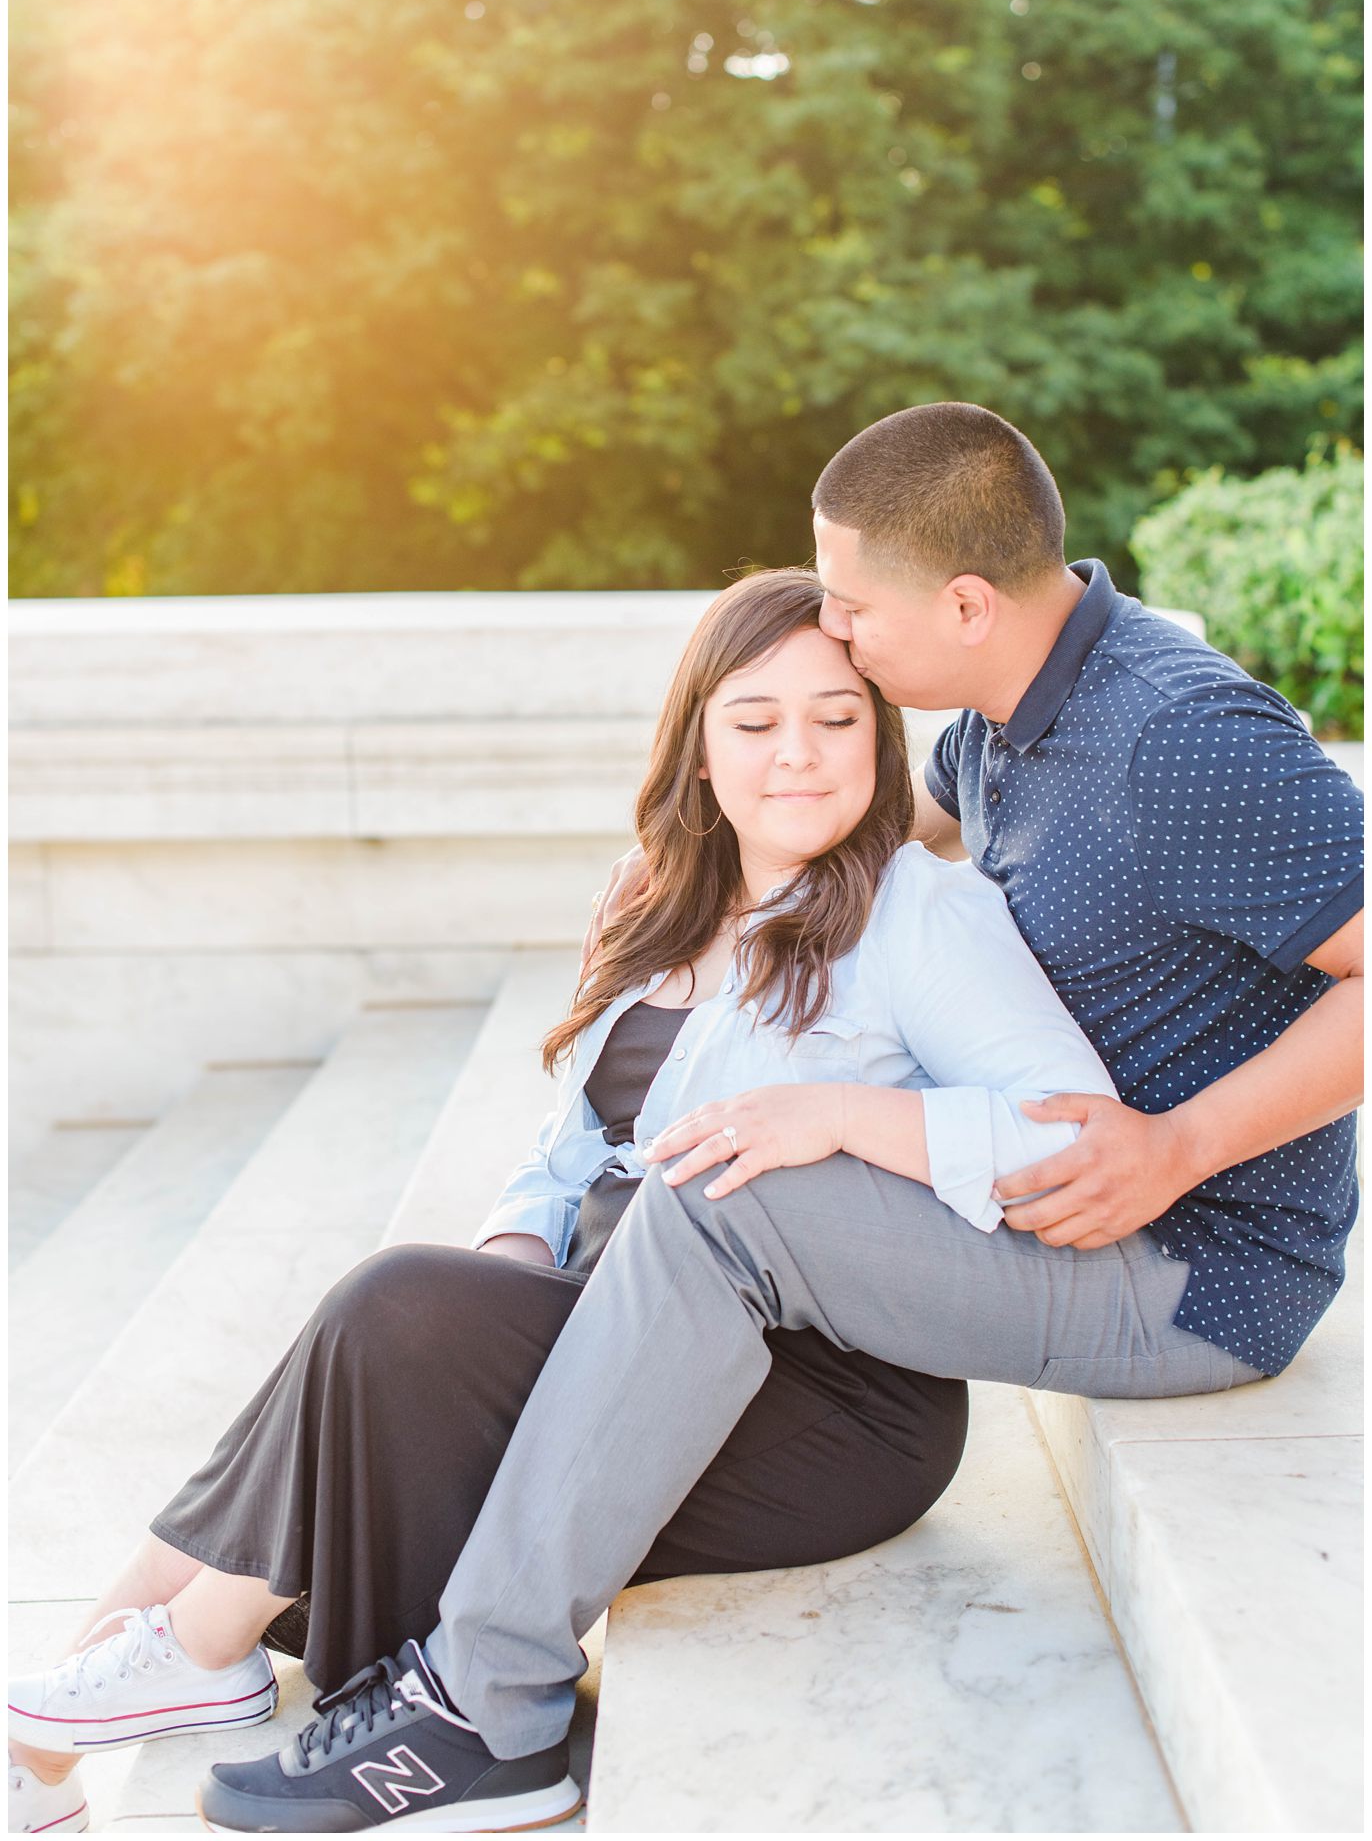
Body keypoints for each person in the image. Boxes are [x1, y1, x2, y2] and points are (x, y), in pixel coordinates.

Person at [187, 400, 1362, 1837]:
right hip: (1056, 1200)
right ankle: (279, 1632)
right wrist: (693, 878)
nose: (842, 638)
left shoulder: (1175, 737)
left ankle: (491, 1704)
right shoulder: (1003, 729)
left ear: (969, 604)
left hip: (1197, 1265)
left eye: (857, 613)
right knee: (501, 1274)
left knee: (735, 1183)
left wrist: (1179, 1146)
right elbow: (887, 858)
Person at [8, 564, 1122, 1836]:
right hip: (609, 1323)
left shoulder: (917, 916)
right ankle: (51, 1740)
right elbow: (561, 1152)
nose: (799, 755)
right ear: (699, 746)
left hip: (819, 1397)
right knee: (402, 1332)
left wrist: (841, 1115)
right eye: (755, 723)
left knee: (388, 1315)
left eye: (837, 717)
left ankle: (168, 1665)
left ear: (882, 732)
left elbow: (1067, 1131)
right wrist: (501, 1283)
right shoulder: (644, 895)